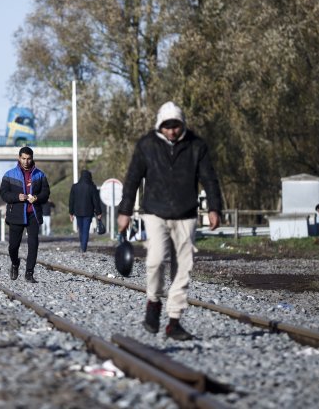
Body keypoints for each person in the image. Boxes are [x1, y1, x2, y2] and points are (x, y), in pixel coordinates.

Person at [117, 101, 222, 341]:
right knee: (155, 261)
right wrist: (125, 211)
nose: (172, 131)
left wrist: (215, 208)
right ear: (159, 125)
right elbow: (133, 178)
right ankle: (153, 303)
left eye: (176, 125)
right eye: (167, 126)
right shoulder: (147, 145)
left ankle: (174, 321)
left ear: (182, 124)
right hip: (155, 211)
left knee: (182, 269)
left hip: (186, 214)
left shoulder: (196, 146)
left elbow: (209, 178)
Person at [0, 146, 51, 283]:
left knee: (33, 244)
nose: (26, 161)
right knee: (13, 247)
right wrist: (17, 197)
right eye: (23, 158)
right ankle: (15, 264)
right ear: (19, 158)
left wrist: (37, 198)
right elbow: (3, 194)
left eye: (28, 159)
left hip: (33, 214)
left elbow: (46, 193)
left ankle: (29, 273)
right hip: (15, 215)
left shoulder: (40, 175)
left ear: (32, 159)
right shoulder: (9, 175)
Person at [68, 170, 103, 252]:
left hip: (78, 212)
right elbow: (96, 201)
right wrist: (99, 212)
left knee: (81, 230)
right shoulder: (91, 187)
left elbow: (71, 201)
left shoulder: (75, 187)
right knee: (86, 230)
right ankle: (84, 247)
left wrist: (71, 213)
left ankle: (82, 246)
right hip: (88, 212)